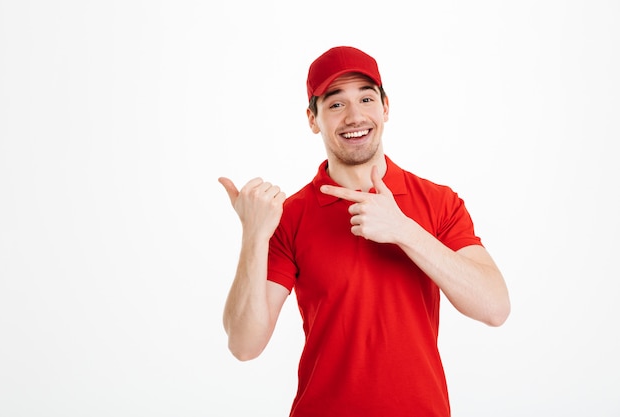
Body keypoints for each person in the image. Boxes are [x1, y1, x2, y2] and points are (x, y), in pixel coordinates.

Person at [218, 46, 510, 417]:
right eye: (336, 104)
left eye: (366, 98)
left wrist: (404, 230)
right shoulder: (289, 217)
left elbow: (495, 308)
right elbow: (244, 345)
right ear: (313, 119)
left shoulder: (439, 202)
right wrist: (253, 236)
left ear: (385, 108)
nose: (355, 116)